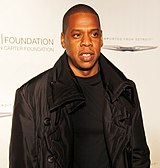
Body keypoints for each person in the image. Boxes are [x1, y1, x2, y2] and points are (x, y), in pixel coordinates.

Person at [9, 4, 150, 168]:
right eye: (77, 35)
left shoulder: (123, 89)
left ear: (101, 39)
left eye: (94, 34)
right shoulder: (30, 95)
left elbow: (139, 157)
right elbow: (22, 162)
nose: (87, 42)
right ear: (63, 40)